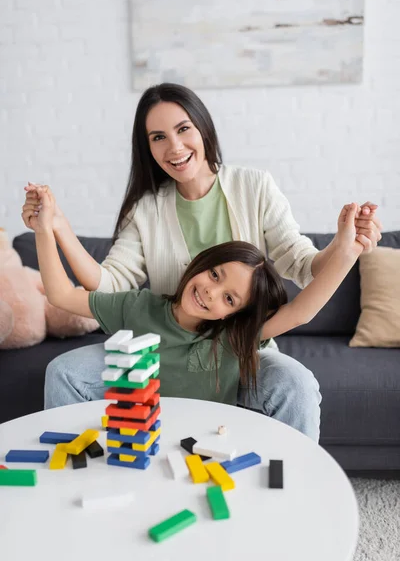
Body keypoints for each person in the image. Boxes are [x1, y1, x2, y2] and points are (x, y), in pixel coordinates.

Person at [21, 83, 383, 442]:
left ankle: (293, 486)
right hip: (158, 349)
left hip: (232, 353)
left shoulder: (254, 187)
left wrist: (345, 245)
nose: (174, 147)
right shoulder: (145, 210)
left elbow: (303, 268)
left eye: (183, 129)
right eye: (158, 137)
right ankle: (78, 476)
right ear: (147, 147)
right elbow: (107, 282)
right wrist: (56, 226)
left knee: (296, 383)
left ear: (202, 127)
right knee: (66, 371)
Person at [33, 187, 363, 409]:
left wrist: (348, 251)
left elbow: (302, 311)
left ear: (232, 314)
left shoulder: (234, 336)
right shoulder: (138, 306)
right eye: (215, 275)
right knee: (61, 369)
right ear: (198, 263)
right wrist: (44, 229)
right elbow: (61, 295)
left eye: (229, 299)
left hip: (207, 441)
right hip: (141, 429)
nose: (210, 291)